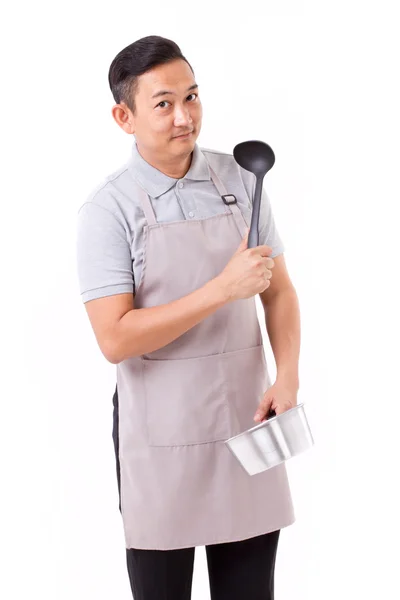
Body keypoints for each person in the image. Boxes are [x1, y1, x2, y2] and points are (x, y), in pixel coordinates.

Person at [76, 35, 301, 600]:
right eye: (163, 103)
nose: (185, 117)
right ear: (123, 117)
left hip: (246, 419)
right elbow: (115, 338)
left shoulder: (243, 181)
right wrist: (221, 289)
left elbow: (279, 292)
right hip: (159, 435)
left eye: (193, 96)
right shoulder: (108, 210)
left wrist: (289, 373)